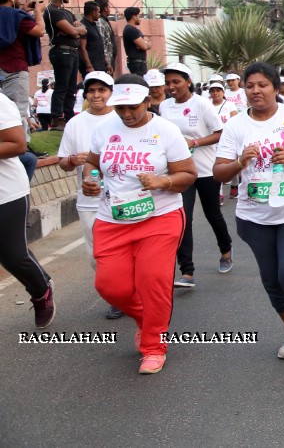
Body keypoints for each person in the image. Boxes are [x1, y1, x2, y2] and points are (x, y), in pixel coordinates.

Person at [212, 63, 284, 370]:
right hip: (255, 217)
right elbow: (218, 172)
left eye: (262, 84)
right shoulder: (236, 126)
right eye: (250, 85)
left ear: (276, 88)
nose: (256, 90)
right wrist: (240, 162)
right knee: (273, 281)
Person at [82, 75, 197, 374]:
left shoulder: (166, 131)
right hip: (112, 219)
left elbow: (188, 174)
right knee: (110, 286)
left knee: (152, 282)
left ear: (148, 101)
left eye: (133, 107)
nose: (127, 114)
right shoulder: (104, 129)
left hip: (159, 218)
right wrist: (90, 180)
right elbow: (93, 163)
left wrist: (164, 181)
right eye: (120, 108)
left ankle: (154, 346)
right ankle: (146, 320)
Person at [160, 62, 233, 287]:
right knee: (184, 219)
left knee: (213, 214)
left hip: (206, 169)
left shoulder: (202, 104)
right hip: (180, 172)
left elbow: (220, 132)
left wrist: (194, 142)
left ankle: (226, 251)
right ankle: (187, 271)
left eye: (177, 82)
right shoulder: (164, 107)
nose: (172, 86)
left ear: (188, 82)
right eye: (168, 82)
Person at [57, 70, 120, 318]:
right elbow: (62, 161)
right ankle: (116, 294)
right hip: (90, 201)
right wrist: (73, 159)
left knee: (125, 251)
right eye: (92, 91)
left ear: (111, 93)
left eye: (101, 90)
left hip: (123, 198)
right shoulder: (76, 123)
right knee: (96, 256)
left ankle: (127, 294)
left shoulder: (122, 118)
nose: (96, 95)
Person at [0, 91, 54, 329]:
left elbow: (18, 144)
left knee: (12, 255)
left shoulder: (1, 102)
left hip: (5, 193)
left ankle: (41, 291)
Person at [0, 0, 43, 134]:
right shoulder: (17, 16)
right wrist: (38, 11)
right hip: (15, 68)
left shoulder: (16, 15)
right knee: (17, 110)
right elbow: (39, 31)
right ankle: (20, 148)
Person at [43, 0, 87, 127]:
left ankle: (68, 117)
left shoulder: (67, 12)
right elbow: (74, 31)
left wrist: (76, 30)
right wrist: (75, 30)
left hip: (72, 51)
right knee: (62, 86)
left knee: (71, 88)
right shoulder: (52, 11)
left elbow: (83, 30)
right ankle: (56, 118)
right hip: (61, 51)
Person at [207, 80, 239, 204]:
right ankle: (219, 194)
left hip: (228, 140)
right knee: (216, 166)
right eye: (212, 91)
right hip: (213, 140)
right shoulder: (207, 105)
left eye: (218, 90)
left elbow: (236, 121)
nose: (215, 93)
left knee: (233, 163)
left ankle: (235, 185)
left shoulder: (229, 105)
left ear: (223, 92)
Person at [78, 1, 107, 74]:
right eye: (98, 12)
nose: (99, 14)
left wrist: (106, 63)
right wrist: (89, 66)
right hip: (92, 67)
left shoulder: (93, 25)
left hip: (100, 65)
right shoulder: (83, 26)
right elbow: (82, 48)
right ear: (93, 13)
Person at [121, 7, 150, 77]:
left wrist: (146, 43)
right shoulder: (131, 30)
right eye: (139, 16)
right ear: (134, 17)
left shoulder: (134, 30)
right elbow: (144, 46)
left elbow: (146, 42)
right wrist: (147, 44)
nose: (140, 18)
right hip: (137, 63)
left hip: (140, 63)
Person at [93, 0, 118, 75]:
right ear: (105, 8)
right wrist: (107, 62)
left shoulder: (105, 21)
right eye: (109, 7)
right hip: (104, 64)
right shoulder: (100, 22)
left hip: (108, 62)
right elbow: (102, 43)